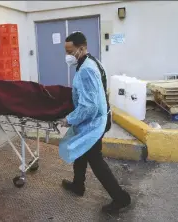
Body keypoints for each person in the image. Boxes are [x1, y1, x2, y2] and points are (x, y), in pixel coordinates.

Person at [57, 32, 131, 215]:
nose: (67, 55)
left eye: (70, 51)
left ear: (81, 48)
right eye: (65, 51)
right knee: (81, 153)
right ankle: (78, 185)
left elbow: (89, 106)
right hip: (98, 118)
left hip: (94, 122)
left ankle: (120, 197)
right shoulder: (91, 62)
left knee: (95, 160)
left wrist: (69, 119)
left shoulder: (87, 69)